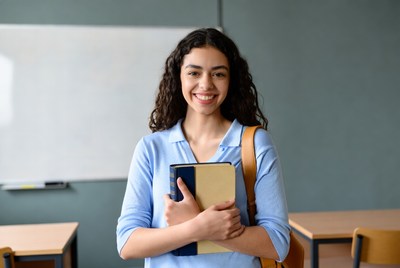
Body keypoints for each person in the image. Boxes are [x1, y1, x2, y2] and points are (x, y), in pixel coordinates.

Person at [116, 28, 290, 268]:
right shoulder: (151, 148)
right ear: (179, 77)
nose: (205, 84)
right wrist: (195, 228)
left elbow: (277, 243)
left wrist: (199, 225)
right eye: (194, 73)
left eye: (218, 74)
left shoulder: (255, 143)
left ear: (231, 80)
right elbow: (126, 243)